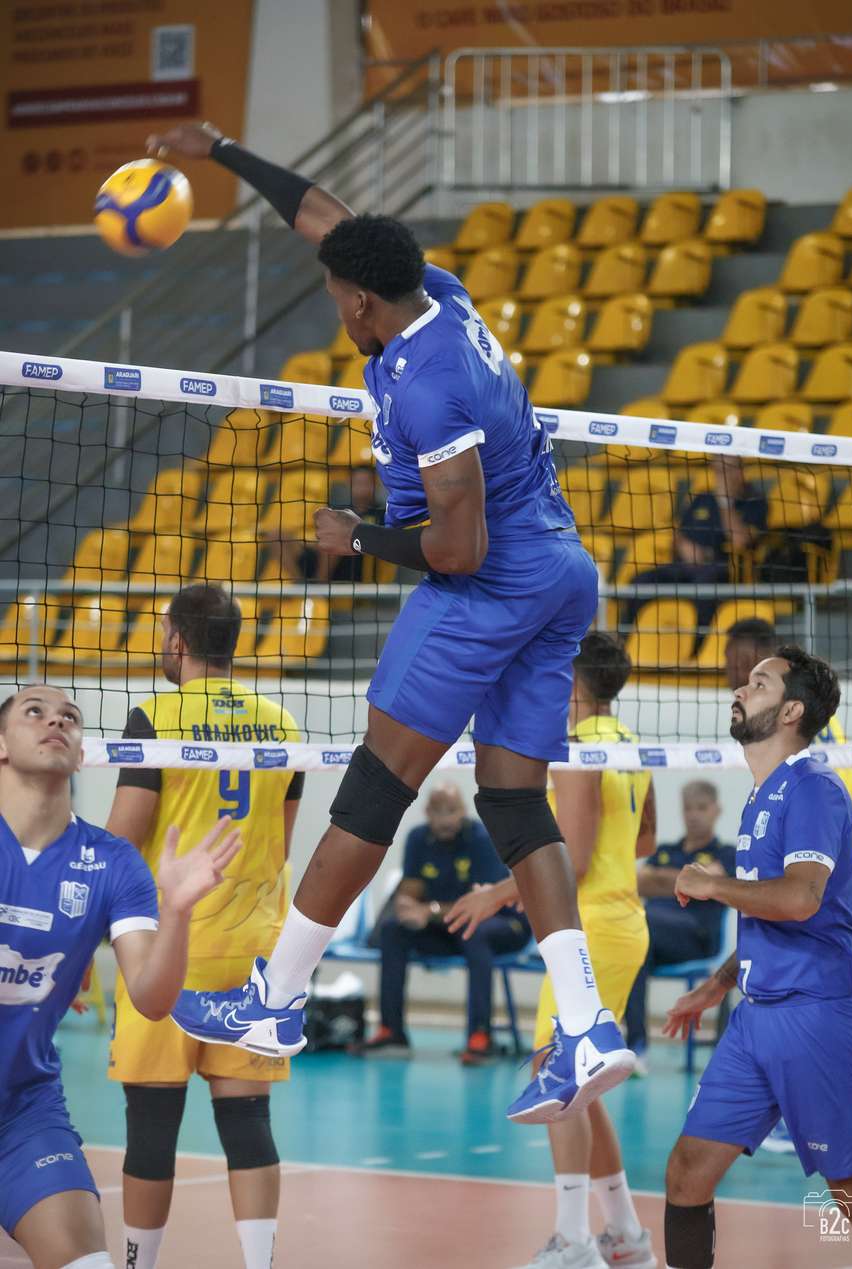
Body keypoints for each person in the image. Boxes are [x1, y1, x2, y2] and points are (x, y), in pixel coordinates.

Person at [148, 121, 636, 1122]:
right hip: (561, 572)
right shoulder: (439, 297)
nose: (333, 305)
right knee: (512, 801)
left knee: (375, 786)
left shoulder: (430, 383)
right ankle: (585, 1026)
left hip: (487, 585)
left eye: (337, 297)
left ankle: (276, 1001)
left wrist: (356, 535)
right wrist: (226, 152)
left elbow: (458, 551)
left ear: (361, 302)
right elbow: (329, 219)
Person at [662, 646, 852, 1269]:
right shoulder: (763, 794)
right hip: (756, 1018)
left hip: (815, 1019)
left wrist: (712, 884)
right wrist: (722, 980)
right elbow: (771, 909)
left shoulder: (815, 789)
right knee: (687, 1173)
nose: (741, 689)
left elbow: (799, 899)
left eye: (759, 683)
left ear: (792, 710)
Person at [0, 684, 241, 1269]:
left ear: (82, 753)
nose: (55, 719)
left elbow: (153, 1000)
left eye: (70, 717)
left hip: (22, 1112)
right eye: (34, 711)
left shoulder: (113, 861)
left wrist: (178, 911)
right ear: (1, 745)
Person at [104, 583, 302, 1269]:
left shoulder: (155, 715)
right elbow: (277, 842)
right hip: (254, 956)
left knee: (152, 1129)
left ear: (177, 640)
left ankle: (137, 1264)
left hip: (171, 949)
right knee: (248, 1125)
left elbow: (122, 844)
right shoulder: (281, 722)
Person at [446, 633, 658, 1269]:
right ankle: (625, 1233)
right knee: (579, 1086)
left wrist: (495, 893)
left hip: (590, 926)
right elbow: (644, 840)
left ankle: (574, 1240)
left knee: (557, 1078)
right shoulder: (634, 746)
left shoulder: (578, 749)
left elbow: (574, 858)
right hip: (624, 921)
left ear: (571, 686)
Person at [726, 618, 852, 1071]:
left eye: (748, 669)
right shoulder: (771, 771)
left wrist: (712, 885)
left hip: (841, 864)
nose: (735, 677)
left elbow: (820, 814)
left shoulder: (808, 761)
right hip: (824, 857)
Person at [356, 782, 530, 1063]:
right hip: (449, 927)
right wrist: (406, 904)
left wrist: (428, 910)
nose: (445, 818)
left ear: (463, 810)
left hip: (501, 925)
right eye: (438, 811)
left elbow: (484, 905)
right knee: (392, 930)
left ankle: (480, 1036)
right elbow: (412, 889)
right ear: (426, 812)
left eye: (451, 810)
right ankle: (392, 1032)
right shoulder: (417, 839)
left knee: (475, 932)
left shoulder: (481, 839)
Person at [623, 782, 735, 1064]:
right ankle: (636, 1048)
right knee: (634, 949)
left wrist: (660, 879)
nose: (694, 815)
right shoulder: (665, 849)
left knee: (640, 923)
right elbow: (638, 883)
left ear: (716, 810)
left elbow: (703, 882)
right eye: (688, 808)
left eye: (701, 807)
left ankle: (635, 1045)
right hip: (654, 937)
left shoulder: (726, 853)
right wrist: (688, 881)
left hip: (697, 939)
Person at [625, 457, 767, 632]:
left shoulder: (755, 502)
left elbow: (740, 540)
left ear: (739, 472)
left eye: (724, 470)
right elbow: (678, 533)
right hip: (686, 565)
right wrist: (683, 545)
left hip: (725, 568)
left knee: (703, 586)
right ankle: (629, 639)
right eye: (716, 470)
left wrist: (724, 502)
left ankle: (697, 646)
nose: (719, 476)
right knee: (641, 581)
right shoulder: (703, 498)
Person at [266, 464, 385, 583]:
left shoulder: (381, 513)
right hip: (323, 555)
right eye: (358, 483)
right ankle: (300, 584)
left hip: (354, 562)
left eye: (366, 483)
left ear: (376, 485)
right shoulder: (340, 510)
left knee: (336, 534)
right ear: (349, 484)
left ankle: (320, 585)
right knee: (276, 536)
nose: (362, 488)